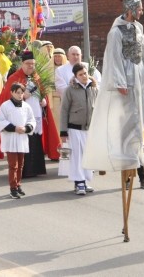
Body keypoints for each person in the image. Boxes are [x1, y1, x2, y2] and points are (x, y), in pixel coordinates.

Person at [83, 0, 144, 190]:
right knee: (128, 123)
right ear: (131, 10)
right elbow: (114, 59)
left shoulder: (138, 28)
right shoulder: (115, 32)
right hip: (126, 79)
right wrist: (120, 82)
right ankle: (130, 168)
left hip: (139, 78)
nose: (142, 11)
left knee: (140, 121)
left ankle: (138, 161)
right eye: (139, 8)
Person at [0, 50, 58, 178]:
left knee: (35, 141)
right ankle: (23, 171)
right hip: (20, 118)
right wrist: (22, 97)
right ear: (22, 64)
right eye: (28, 63)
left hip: (35, 114)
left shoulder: (36, 77)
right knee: (25, 142)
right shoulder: (14, 78)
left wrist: (44, 100)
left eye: (33, 64)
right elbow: (7, 98)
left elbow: (43, 93)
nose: (31, 66)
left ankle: (35, 169)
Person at [59, 63, 99, 195]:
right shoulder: (70, 89)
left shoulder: (93, 88)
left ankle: (85, 180)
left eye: (85, 73)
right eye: (80, 74)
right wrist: (63, 131)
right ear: (75, 76)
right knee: (77, 156)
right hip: (74, 128)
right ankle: (79, 182)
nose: (84, 76)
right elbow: (64, 110)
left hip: (89, 129)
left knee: (87, 155)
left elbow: (98, 108)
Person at [0, 83, 36, 199]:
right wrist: (14, 128)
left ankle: (18, 185)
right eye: (17, 92)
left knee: (21, 165)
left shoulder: (26, 106)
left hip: (22, 138)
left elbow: (31, 120)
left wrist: (26, 128)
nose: (20, 95)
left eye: (21, 92)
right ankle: (12, 188)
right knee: (13, 165)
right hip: (11, 138)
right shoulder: (5, 106)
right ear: (12, 92)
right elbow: (0, 121)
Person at [50, 48, 67, 133]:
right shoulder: (49, 69)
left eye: (59, 56)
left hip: (67, 100)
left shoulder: (68, 69)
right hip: (55, 100)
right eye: (55, 56)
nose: (57, 58)